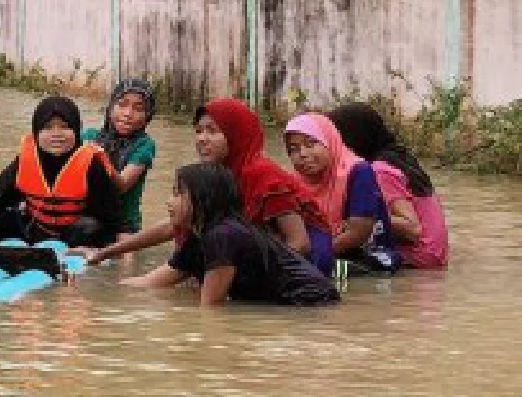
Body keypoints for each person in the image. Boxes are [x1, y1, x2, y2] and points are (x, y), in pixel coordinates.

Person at [85, 98, 331, 272]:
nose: (202, 139)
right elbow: (173, 226)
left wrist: (239, 276)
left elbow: (299, 243)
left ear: (236, 134)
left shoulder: (263, 176)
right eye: (199, 131)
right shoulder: (209, 176)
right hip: (262, 254)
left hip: (306, 262)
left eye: (213, 131)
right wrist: (105, 253)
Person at [124, 163, 339, 307]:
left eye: (178, 193)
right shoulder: (201, 237)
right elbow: (151, 281)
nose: (169, 202)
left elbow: (210, 309)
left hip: (309, 303)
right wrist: (105, 294)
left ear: (204, 199)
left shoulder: (222, 235)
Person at [0, 95, 121, 247]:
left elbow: (112, 220)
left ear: (77, 130)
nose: (56, 134)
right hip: (32, 230)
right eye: (47, 127)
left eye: (65, 127)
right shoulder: (26, 160)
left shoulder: (92, 163)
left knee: (88, 227)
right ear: (36, 132)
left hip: (71, 237)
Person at [329, 101, 450, 269]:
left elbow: (412, 228)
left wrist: (358, 218)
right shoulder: (400, 158)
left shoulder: (381, 170)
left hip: (418, 258)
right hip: (435, 256)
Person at [283, 112, 398, 273]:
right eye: (294, 149)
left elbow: (358, 234)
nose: (302, 154)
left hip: (366, 254)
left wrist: (317, 254)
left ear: (329, 142)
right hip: (315, 252)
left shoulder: (359, 171)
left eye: (311, 144)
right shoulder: (292, 180)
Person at [84, 79, 158, 234]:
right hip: (87, 218)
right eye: (122, 104)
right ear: (111, 107)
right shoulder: (89, 136)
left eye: (138, 109)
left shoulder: (144, 145)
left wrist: (100, 157)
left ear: (148, 115)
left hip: (123, 226)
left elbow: (122, 185)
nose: (127, 114)